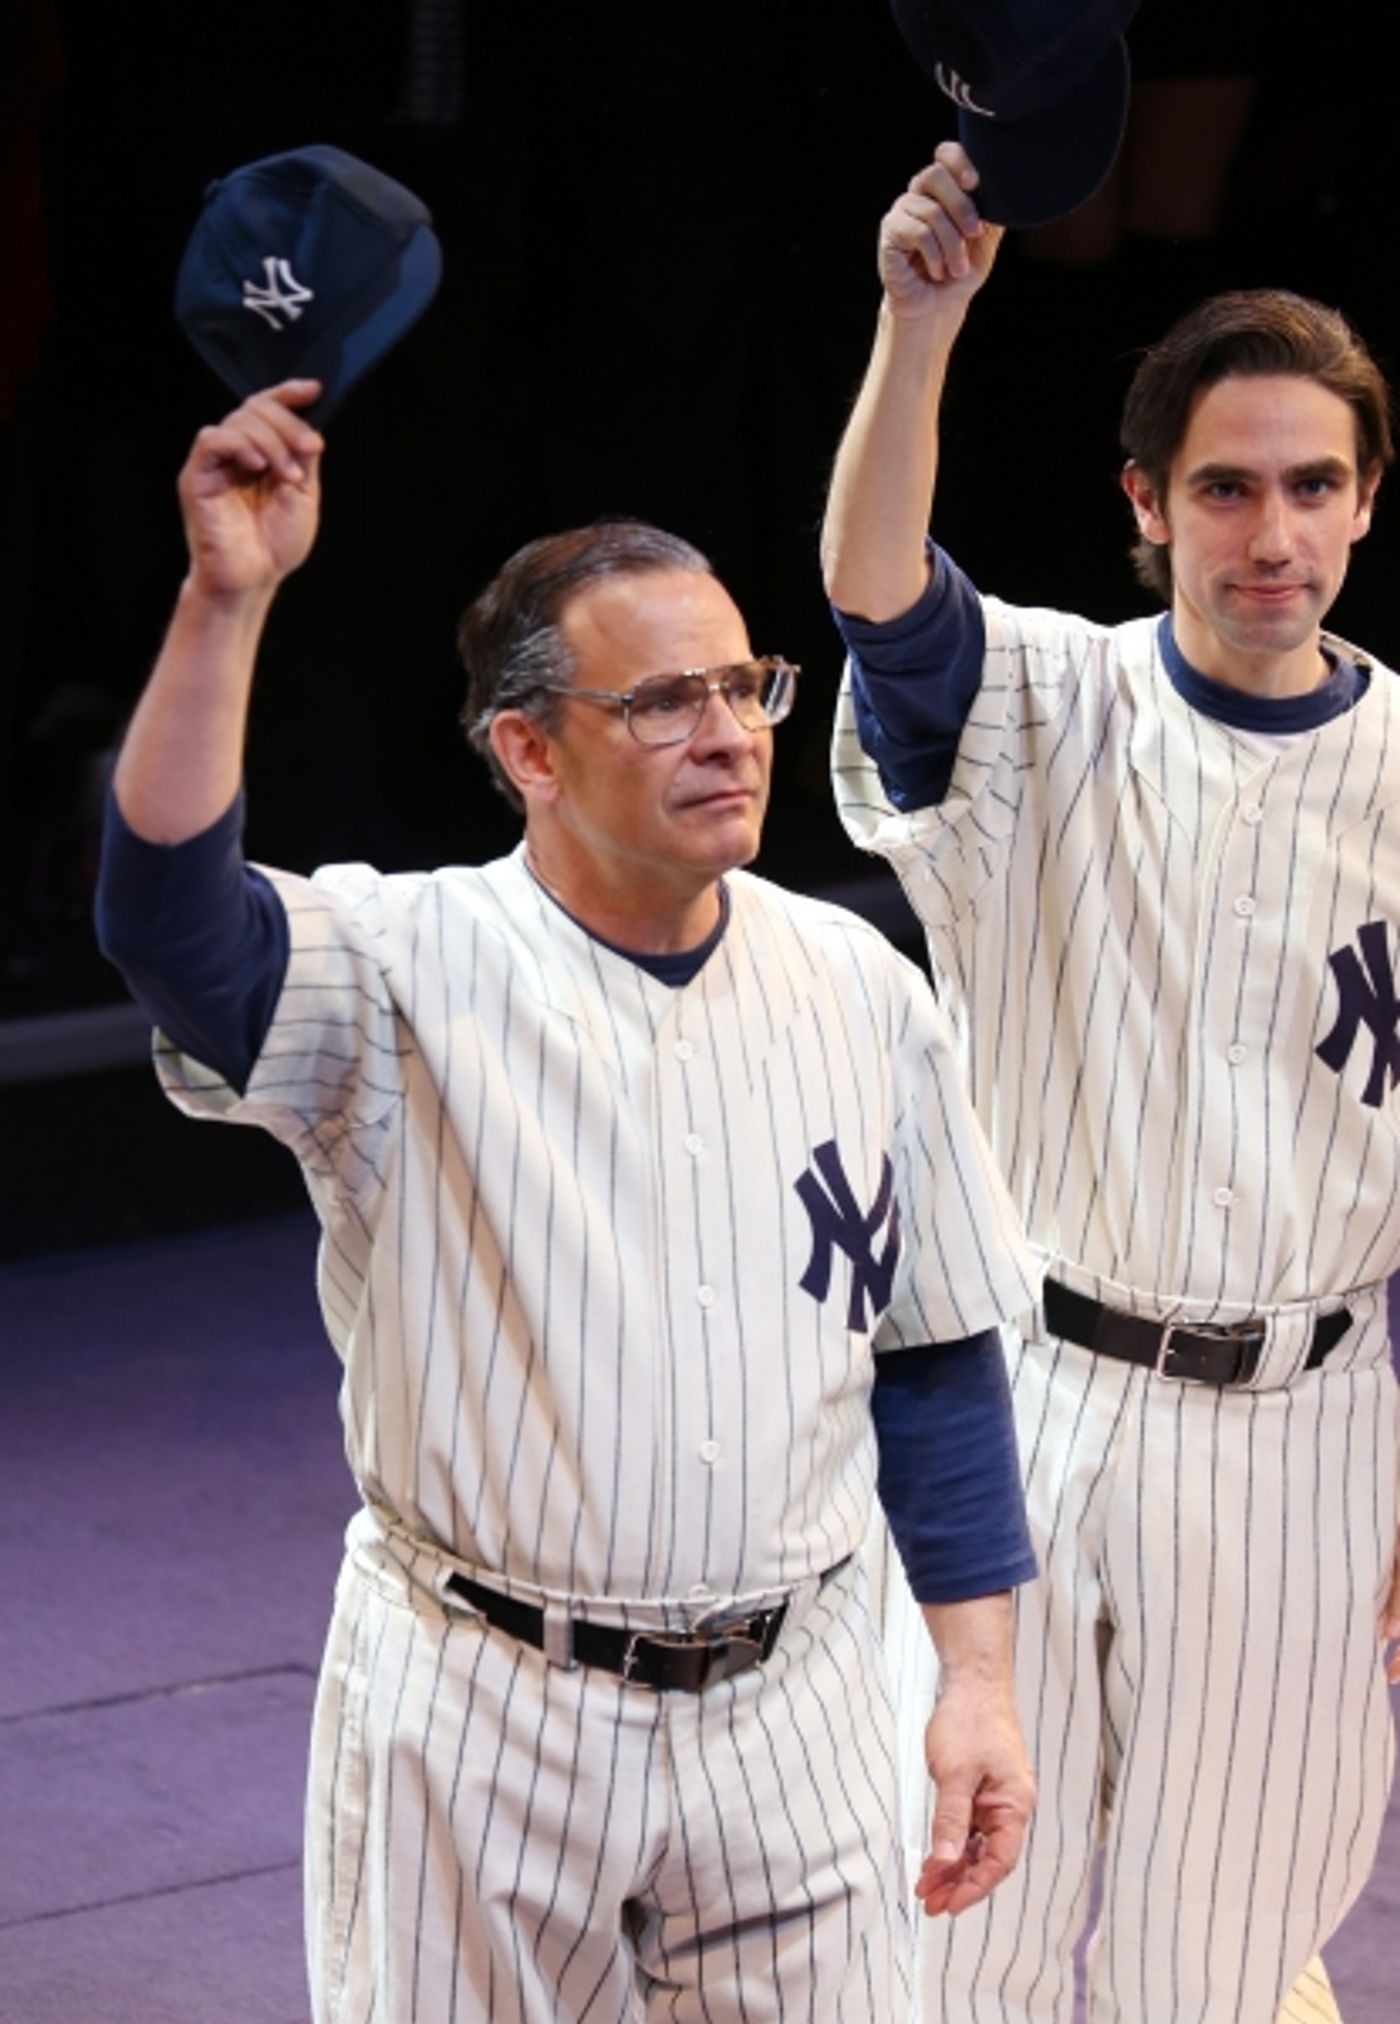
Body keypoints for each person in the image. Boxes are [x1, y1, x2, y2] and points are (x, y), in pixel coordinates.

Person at [96, 377, 1042, 2023]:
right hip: (487, 1711)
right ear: (527, 750)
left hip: (800, 1709)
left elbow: (938, 1355)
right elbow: (169, 928)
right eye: (664, 700)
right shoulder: (400, 966)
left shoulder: (860, 984)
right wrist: (224, 601)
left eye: (743, 685)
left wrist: (975, 1678)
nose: (729, 732)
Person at [822, 140, 1400, 2024]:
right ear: (1148, 503)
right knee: (952, 1932)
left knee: (1224, 1955)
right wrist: (920, 328)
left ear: (1367, 501)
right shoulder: (1041, 699)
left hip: (1313, 1433)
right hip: (1033, 1396)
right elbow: (876, 591)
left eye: (1312, 485)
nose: (1271, 534)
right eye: (1225, 487)